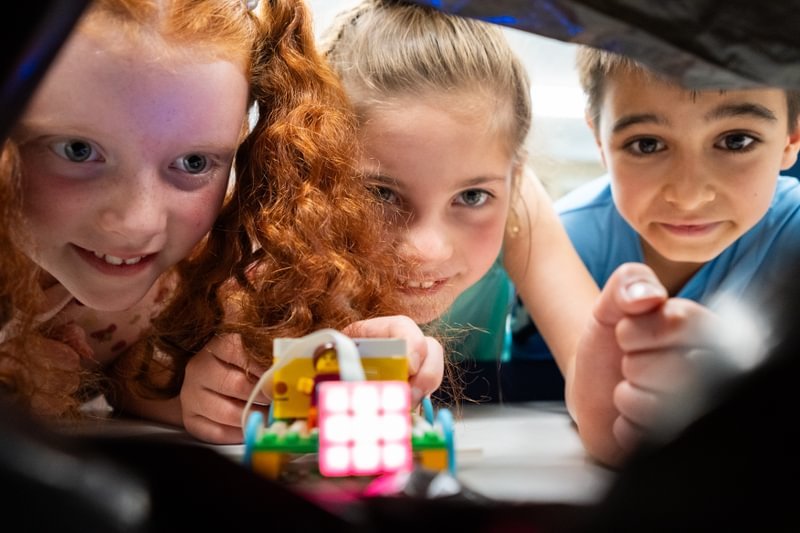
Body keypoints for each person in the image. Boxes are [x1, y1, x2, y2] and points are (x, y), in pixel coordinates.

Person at [1, 0, 443, 443]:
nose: (136, 224)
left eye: (194, 162)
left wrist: (192, 396)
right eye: (78, 151)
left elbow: (127, 370)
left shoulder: (189, 272)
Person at [318, 0, 599, 403]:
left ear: (514, 179)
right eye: (380, 193)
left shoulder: (517, 204)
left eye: (471, 196)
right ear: (313, 166)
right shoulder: (289, 215)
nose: (424, 249)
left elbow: (593, 368)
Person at [559, 45, 800, 466]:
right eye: (647, 144)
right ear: (600, 140)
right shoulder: (565, 244)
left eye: (735, 141)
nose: (688, 196)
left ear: (791, 138)